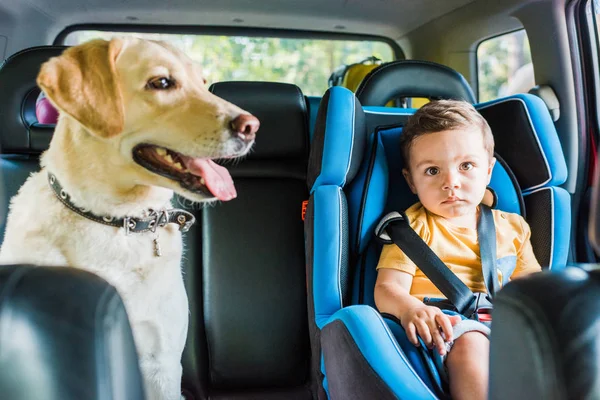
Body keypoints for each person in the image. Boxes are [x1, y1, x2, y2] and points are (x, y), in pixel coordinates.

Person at [374, 100, 541, 400]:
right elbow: (387, 288)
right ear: (411, 182)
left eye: (466, 166)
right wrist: (411, 309)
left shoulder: (513, 228)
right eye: (432, 171)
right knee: (472, 341)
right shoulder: (411, 227)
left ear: (488, 170)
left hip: (502, 327)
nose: (451, 183)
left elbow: (532, 290)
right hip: (442, 329)